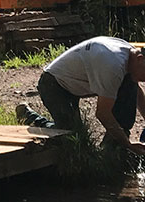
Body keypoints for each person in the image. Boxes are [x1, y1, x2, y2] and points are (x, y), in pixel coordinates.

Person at [16, 36, 145, 155]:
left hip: (78, 80)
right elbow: (102, 113)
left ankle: (113, 151)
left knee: (130, 86)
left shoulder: (131, 56)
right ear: (140, 59)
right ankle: (28, 116)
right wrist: (128, 144)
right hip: (54, 84)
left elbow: (137, 93)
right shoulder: (113, 65)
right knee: (72, 136)